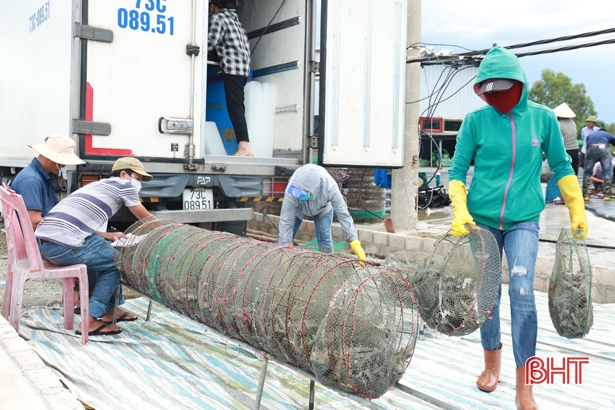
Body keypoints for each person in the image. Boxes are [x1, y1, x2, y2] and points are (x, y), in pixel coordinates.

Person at [448, 46, 587, 410]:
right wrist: (460, 207)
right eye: (488, 91)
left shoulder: (543, 120)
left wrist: (576, 205)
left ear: (519, 84)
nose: (496, 98)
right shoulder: (476, 121)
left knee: (523, 290)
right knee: (488, 294)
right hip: (483, 222)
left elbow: (562, 165)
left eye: (503, 90)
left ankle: (526, 382)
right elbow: (458, 170)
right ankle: (491, 365)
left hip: (524, 219)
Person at [35, 158, 154, 336]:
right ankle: (90, 320)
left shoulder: (98, 185)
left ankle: (109, 311)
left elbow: (78, 224)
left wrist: (108, 236)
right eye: (138, 178)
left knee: (104, 254)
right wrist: (172, 228)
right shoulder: (125, 186)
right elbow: (147, 220)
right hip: (64, 246)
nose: (139, 183)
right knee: (116, 263)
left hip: (45, 247)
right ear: (124, 174)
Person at [276, 164, 366, 261]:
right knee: (283, 238)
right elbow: (286, 221)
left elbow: (343, 214)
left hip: (323, 207)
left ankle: (328, 267)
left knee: (325, 240)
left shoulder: (330, 186)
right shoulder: (293, 191)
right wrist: (284, 250)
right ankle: (275, 263)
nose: (297, 194)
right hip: (299, 207)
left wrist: (354, 240)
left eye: (301, 193)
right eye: (297, 192)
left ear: (313, 189)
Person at [11, 134, 85, 231]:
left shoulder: (41, 177)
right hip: (43, 241)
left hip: (46, 236)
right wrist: (70, 230)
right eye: (63, 162)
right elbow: (34, 223)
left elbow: (56, 209)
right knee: (98, 244)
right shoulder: (31, 180)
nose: (63, 166)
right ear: (52, 158)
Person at [207, 0, 253, 157]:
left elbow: (210, 41)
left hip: (232, 68)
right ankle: (244, 146)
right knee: (238, 107)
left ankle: (244, 148)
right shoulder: (236, 22)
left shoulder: (217, 19)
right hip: (243, 70)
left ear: (214, 6)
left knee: (235, 108)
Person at [582, 129, 615, 201]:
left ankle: (585, 195)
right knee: (607, 172)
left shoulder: (591, 134)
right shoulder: (608, 134)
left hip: (591, 149)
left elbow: (586, 147)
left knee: (587, 172)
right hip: (603, 149)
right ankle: (607, 195)